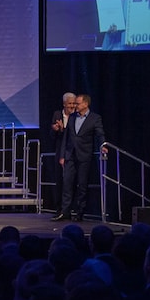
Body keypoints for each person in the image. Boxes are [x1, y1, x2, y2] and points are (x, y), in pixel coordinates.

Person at [55, 93, 107, 222]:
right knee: (67, 183)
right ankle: (65, 211)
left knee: (82, 185)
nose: (75, 106)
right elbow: (66, 138)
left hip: (84, 155)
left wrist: (103, 145)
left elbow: (100, 134)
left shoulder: (95, 118)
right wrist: (62, 156)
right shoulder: (72, 117)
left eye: (77, 103)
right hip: (70, 155)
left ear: (85, 104)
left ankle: (80, 212)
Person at [49, 92, 77, 210]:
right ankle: (59, 207)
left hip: (73, 152)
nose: (72, 106)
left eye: (74, 103)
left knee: (71, 181)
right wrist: (55, 130)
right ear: (64, 104)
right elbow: (52, 136)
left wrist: (63, 129)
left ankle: (71, 207)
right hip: (60, 152)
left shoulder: (77, 117)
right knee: (60, 180)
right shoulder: (57, 114)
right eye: (70, 103)